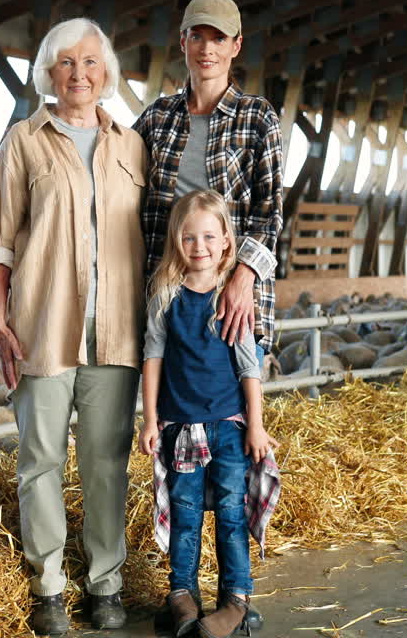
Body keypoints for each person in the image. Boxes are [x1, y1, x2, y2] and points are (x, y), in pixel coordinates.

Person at [0, 17, 147, 636]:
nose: (79, 74)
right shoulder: (23, 142)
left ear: (107, 74)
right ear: (48, 73)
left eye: (90, 63)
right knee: (41, 459)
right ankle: (47, 582)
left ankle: (106, 582)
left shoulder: (131, 146)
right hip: (43, 326)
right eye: (66, 63)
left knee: (106, 461)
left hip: (116, 331)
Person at [138, 190, 281, 638]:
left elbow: (249, 367)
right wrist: (149, 418)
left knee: (231, 514)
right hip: (180, 427)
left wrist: (255, 426)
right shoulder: (165, 294)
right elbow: (153, 357)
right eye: (188, 237)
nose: (198, 246)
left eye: (208, 236)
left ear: (225, 242)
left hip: (227, 428)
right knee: (185, 515)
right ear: (176, 242)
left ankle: (235, 599)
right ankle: (182, 594)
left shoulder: (231, 298)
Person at [133, 0, 285, 363]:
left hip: (231, 298)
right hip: (168, 296)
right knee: (171, 415)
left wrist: (243, 278)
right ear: (183, 41)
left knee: (231, 415)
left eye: (218, 38)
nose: (207, 49)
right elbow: (118, 182)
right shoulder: (158, 117)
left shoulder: (257, 117)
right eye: (197, 36)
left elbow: (269, 213)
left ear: (236, 46)